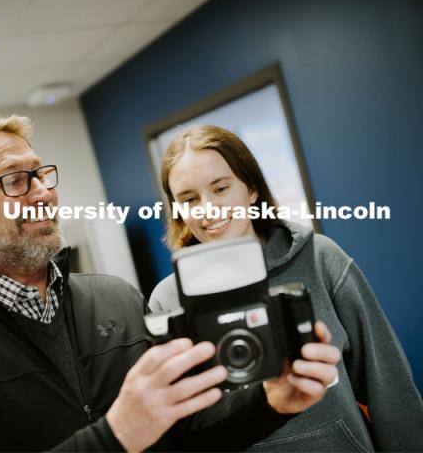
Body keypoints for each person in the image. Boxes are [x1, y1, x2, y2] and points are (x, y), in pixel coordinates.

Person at [0, 116, 340, 452]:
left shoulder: (117, 299)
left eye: (41, 175)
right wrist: (116, 436)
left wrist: (270, 403)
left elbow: (188, 434)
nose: (45, 193)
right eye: (15, 181)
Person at [150, 124, 423, 452]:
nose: (208, 208)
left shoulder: (320, 259)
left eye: (220, 189)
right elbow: (185, 428)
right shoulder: (168, 301)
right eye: (190, 198)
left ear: (251, 189)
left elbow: (390, 387)